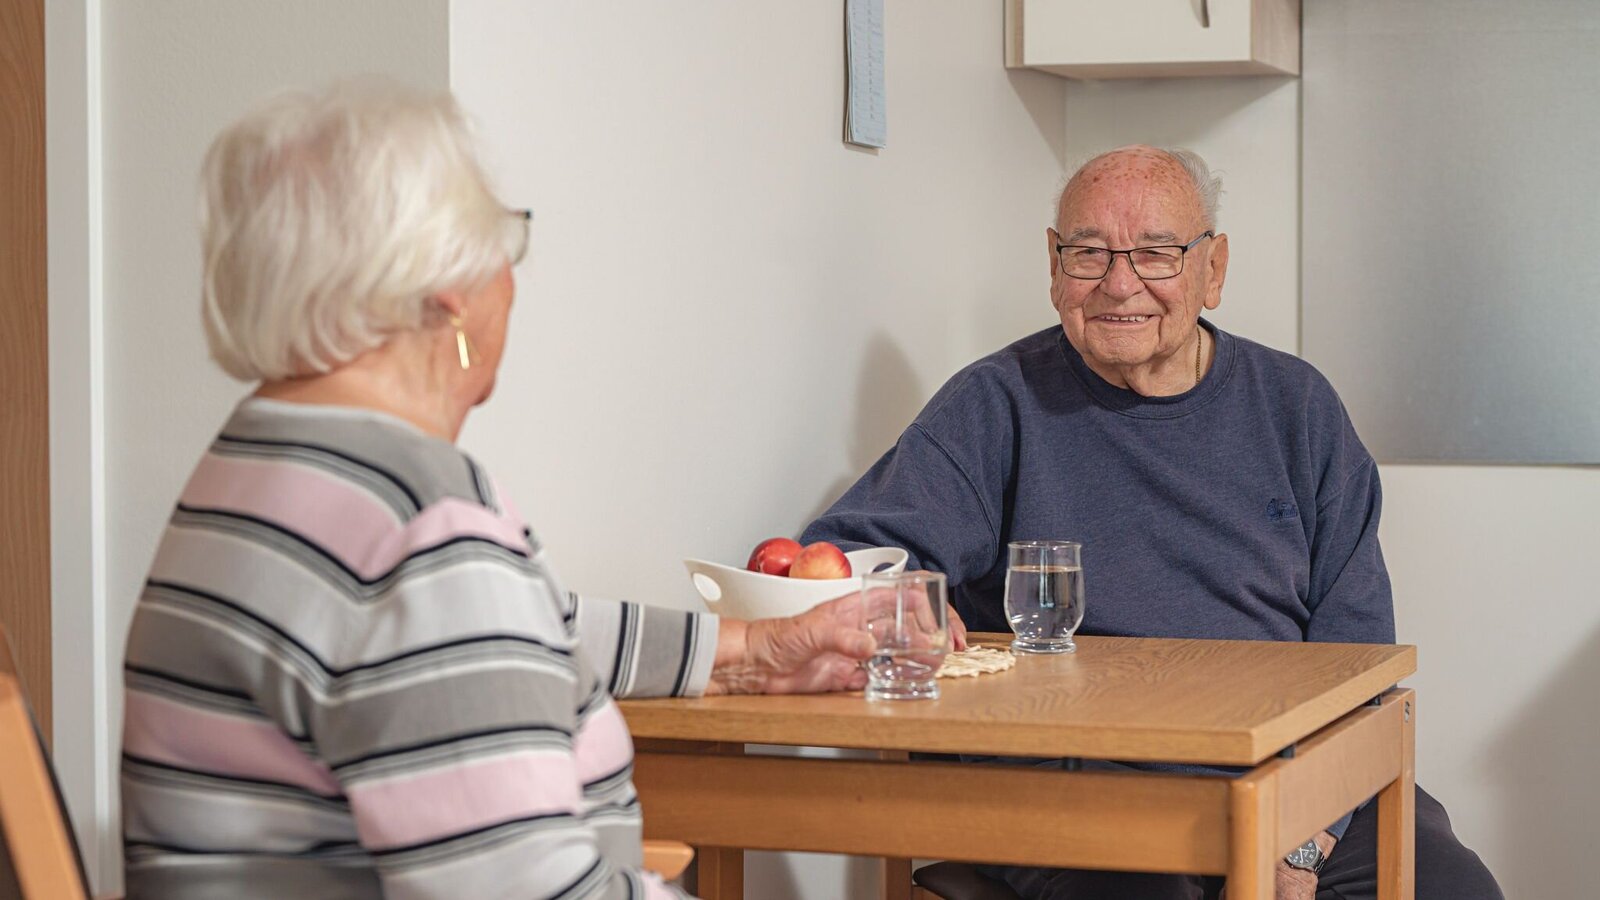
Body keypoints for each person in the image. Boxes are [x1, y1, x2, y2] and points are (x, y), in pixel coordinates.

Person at [119, 80, 877, 900]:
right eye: (505, 243)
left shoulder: (260, 461)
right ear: (447, 292)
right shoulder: (417, 525)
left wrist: (746, 654)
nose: (512, 282)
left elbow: (503, 640)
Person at [802, 146, 1503, 900]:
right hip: (1070, 773)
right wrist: (902, 605)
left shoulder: (1298, 409)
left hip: (1289, 772)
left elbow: (1358, 658)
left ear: (1214, 269)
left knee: (1452, 888)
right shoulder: (996, 403)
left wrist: (1301, 843)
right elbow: (845, 559)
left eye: (1156, 253)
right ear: (1053, 263)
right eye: (1089, 252)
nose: (1119, 283)